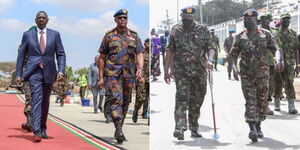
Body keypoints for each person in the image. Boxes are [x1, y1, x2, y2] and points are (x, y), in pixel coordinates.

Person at [164, 6, 215, 140]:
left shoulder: (203, 29)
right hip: (181, 72)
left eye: (190, 17)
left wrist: (209, 60)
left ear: (194, 17)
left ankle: (194, 127)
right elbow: (170, 51)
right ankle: (179, 127)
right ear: (181, 16)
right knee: (181, 99)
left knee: (197, 100)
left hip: (199, 72)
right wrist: (166, 70)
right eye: (185, 16)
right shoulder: (176, 30)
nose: (187, 18)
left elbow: (211, 47)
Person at [231, 9, 282, 142]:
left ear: (256, 20)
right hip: (247, 75)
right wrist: (234, 68)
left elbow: (275, 49)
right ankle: (252, 128)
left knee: (262, 101)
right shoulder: (240, 37)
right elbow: (233, 54)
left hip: (263, 74)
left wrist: (278, 59)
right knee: (250, 100)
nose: (247, 21)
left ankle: (258, 126)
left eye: (250, 19)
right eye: (245, 20)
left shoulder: (266, 35)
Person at [16, 11, 66, 142]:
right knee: (36, 99)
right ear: (35, 20)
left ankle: (43, 128)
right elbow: (21, 55)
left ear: (48, 20)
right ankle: (37, 130)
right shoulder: (28, 35)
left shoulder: (55, 35)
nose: (41, 19)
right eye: (39, 18)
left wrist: (61, 71)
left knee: (45, 101)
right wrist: (19, 74)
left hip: (49, 71)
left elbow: (61, 54)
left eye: (44, 18)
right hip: (34, 72)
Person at [98, 8, 144, 144]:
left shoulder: (134, 36)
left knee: (125, 103)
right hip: (113, 74)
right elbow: (102, 57)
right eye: (120, 18)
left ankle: (119, 127)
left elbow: (139, 53)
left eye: (124, 18)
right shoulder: (109, 36)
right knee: (116, 100)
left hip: (129, 75)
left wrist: (140, 68)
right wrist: (101, 78)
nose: (122, 20)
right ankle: (118, 129)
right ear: (115, 20)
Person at [273, 13, 299, 114]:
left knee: (289, 82)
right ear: (281, 20)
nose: (286, 21)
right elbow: (277, 48)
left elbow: (297, 49)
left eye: (288, 19)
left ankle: (291, 105)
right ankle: (276, 101)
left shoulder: (293, 33)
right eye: (284, 19)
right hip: (279, 62)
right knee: (278, 82)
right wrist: (278, 61)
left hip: (290, 63)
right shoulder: (276, 34)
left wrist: (298, 65)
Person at [260, 14, 276, 115]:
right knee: (262, 85)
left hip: (272, 62)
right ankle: (263, 105)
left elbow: (277, 47)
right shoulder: (258, 32)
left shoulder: (273, 32)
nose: (268, 22)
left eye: (269, 20)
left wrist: (279, 59)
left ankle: (267, 103)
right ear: (261, 21)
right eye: (266, 21)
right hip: (261, 63)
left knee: (271, 84)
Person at [133, 38, 150, 123]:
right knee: (141, 98)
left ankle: (149, 117)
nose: (149, 45)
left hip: (151, 80)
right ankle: (136, 110)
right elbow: (136, 66)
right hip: (142, 79)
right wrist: (139, 77)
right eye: (148, 43)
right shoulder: (140, 54)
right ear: (144, 44)